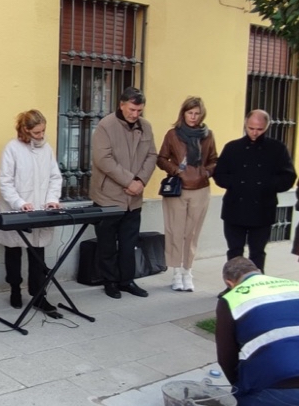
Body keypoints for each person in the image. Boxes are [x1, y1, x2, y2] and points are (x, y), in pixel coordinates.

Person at [215, 256, 299, 406]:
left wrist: (239, 388)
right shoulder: (295, 285)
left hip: (285, 385)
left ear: (229, 283)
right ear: (259, 271)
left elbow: (226, 357)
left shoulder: (232, 299)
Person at [0, 110, 63, 316]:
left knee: (37, 252)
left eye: (43, 131)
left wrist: (52, 200)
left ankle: (38, 294)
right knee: (13, 250)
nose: (41, 136)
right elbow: (5, 181)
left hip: (40, 208)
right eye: (37, 132)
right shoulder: (12, 148)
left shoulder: (47, 149)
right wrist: (19, 202)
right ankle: (14, 289)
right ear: (26, 130)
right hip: (16, 209)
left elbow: (55, 177)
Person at [214, 109, 296, 296]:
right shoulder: (232, 147)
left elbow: (288, 176)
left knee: (257, 252)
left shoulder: (277, 149)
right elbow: (219, 174)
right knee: (234, 250)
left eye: (259, 129)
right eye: (251, 128)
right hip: (235, 207)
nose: (254, 132)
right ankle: (232, 286)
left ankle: (257, 286)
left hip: (262, 208)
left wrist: (265, 185)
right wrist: (237, 184)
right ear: (245, 124)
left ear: (266, 127)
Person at [89, 87, 157, 299]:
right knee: (107, 243)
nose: (135, 114)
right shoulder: (105, 125)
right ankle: (109, 281)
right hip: (108, 197)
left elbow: (152, 155)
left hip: (133, 199)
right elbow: (103, 159)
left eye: (139, 110)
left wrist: (140, 181)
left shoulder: (145, 127)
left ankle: (127, 280)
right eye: (132, 109)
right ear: (121, 104)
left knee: (129, 243)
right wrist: (129, 180)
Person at [156, 96, 218, 292]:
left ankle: (187, 272)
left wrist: (206, 172)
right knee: (175, 231)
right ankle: (175, 273)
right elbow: (161, 158)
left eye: (197, 113)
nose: (193, 117)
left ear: (202, 115)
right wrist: (177, 171)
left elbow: (214, 159)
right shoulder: (173, 134)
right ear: (183, 113)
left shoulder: (207, 135)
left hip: (200, 188)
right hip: (178, 189)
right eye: (190, 112)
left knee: (192, 234)